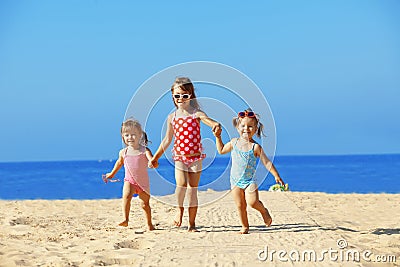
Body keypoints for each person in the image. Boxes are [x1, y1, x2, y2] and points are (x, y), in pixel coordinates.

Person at [149, 77, 221, 232]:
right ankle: (179, 210)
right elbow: (167, 140)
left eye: (184, 95)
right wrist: (155, 157)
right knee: (181, 185)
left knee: (193, 190)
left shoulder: (196, 113)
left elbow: (207, 120)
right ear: (173, 97)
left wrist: (215, 124)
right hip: (180, 157)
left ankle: (192, 224)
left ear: (191, 96)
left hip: (195, 158)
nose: (180, 98)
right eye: (177, 96)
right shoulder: (172, 117)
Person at [213, 108, 285, 234]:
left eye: (250, 126)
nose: (246, 129)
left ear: (256, 129)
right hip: (235, 181)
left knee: (252, 202)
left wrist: (276, 175)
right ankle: (245, 226)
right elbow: (221, 150)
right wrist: (218, 137)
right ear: (237, 127)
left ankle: (263, 211)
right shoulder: (234, 142)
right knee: (240, 206)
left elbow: (266, 162)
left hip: (249, 181)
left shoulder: (255, 147)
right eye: (243, 126)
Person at [104, 118, 155, 230]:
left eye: (133, 134)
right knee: (126, 198)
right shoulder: (123, 152)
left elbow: (152, 160)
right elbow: (119, 163)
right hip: (129, 181)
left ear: (140, 135)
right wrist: (112, 174)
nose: (130, 138)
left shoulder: (144, 150)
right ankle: (126, 219)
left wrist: (152, 163)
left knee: (145, 205)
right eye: (126, 135)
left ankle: (149, 224)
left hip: (143, 184)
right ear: (123, 137)